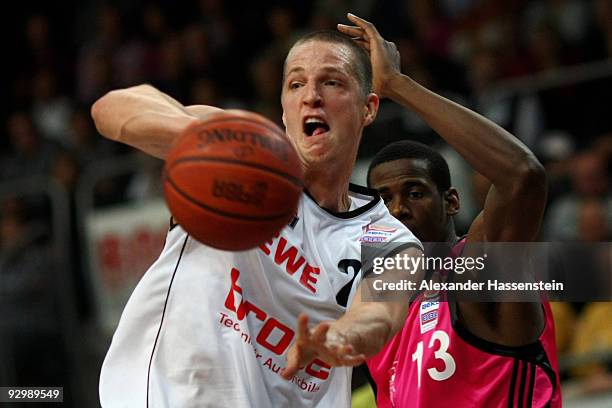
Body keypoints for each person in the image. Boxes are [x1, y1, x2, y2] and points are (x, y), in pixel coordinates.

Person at [91, 13, 424, 407]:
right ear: (283, 108)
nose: (311, 95)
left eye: (331, 82)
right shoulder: (235, 147)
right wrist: (208, 146)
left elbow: (379, 315)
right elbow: (111, 110)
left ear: (368, 108)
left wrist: (340, 336)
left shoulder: (390, 240)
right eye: (296, 84)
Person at [336, 15, 562, 407]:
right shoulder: (376, 311)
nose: (398, 209)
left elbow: (521, 177)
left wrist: (398, 87)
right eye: (383, 200)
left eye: (414, 193)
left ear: (452, 202)